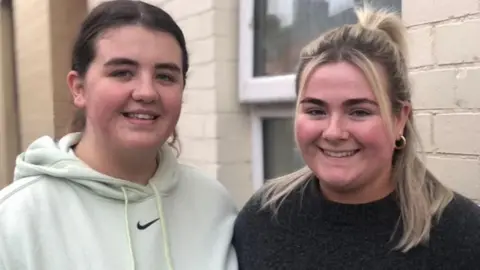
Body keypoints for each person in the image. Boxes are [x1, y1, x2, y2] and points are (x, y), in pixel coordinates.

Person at [233, 6, 480, 270]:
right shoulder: (264, 217)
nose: (334, 132)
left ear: (400, 119)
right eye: (316, 110)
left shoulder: (461, 234)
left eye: (359, 111)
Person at [0, 1, 238, 269]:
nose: (146, 92)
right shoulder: (15, 221)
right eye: (122, 73)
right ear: (78, 88)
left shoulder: (213, 204)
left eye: (165, 76)